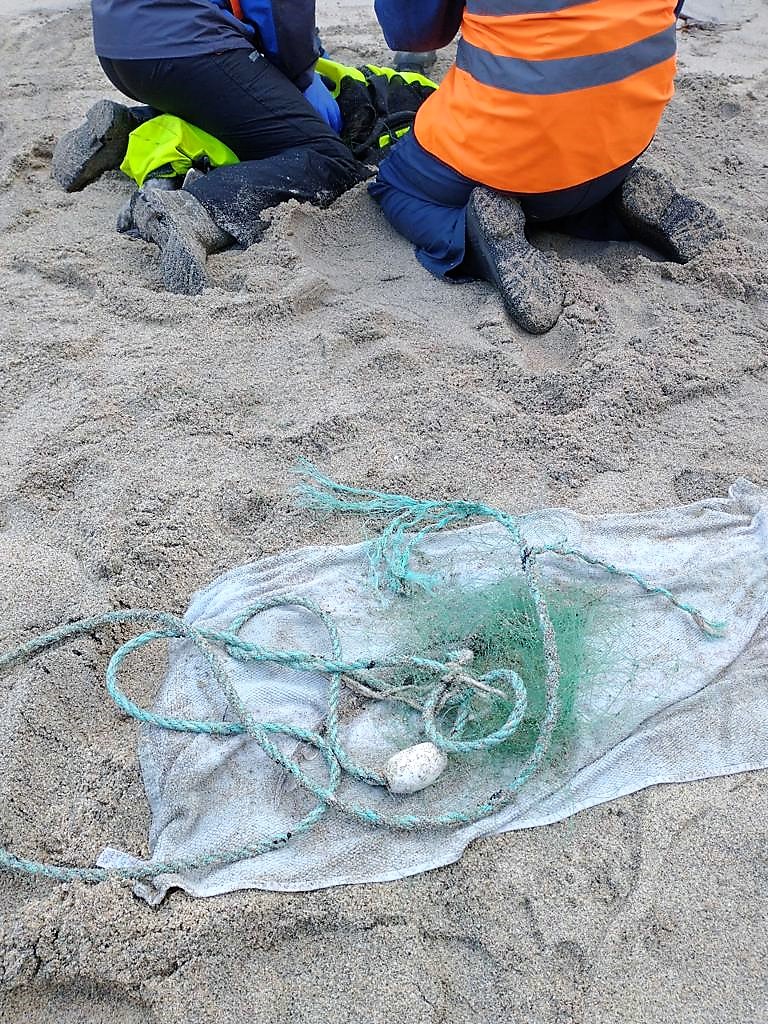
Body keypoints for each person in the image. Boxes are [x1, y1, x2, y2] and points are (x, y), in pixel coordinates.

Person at [369, 0, 729, 334]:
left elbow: (410, 33)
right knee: (563, 169)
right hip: (626, 138)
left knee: (396, 184)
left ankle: (470, 235)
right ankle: (613, 205)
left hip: (513, 150)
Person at [52, 0, 369, 292]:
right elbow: (277, 9)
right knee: (328, 159)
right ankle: (191, 211)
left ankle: (126, 130)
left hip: (119, 45)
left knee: (231, 114)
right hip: (188, 45)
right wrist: (302, 74)